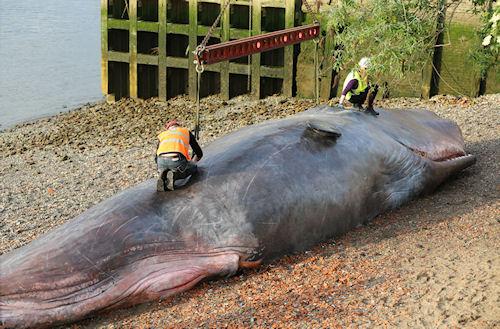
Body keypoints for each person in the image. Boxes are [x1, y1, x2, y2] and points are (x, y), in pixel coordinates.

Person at [156, 120, 203, 191]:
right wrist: (193, 162)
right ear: (178, 126)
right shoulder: (185, 131)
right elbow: (198, 152)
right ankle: (175, 175)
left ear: (168, 128)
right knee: (193, 168)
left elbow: (155, 158)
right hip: (176, 160)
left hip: (161, 161)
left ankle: (163, 176)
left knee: (167, 167)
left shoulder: (163, 134)